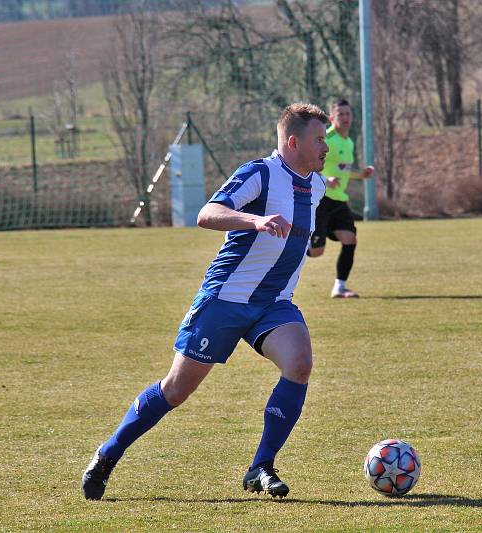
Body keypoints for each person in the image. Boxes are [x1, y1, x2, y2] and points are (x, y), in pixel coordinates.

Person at [81, 103, 330, 500]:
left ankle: (260, 466)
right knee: (175, 390)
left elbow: (299, 232)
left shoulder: (316, 185)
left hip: (273, 303)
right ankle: (108, 454)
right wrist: (255, 220)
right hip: (226, 299)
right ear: (293, 141)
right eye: (320, 139)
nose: (326, 147)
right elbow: (207, 212)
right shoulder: (260, 173)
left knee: (299, 364)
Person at [307, 99, 374, 298]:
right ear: (331, 118)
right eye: (340, 114)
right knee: (317, 252)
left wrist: (360, 175)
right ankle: (291, 245)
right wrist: (325, 180)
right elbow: (307, 167)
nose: (345, 118)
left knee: (350, 239)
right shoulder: (324, 139)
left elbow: (342, 169)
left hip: (338, 200)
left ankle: (339, 287)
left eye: (348, 114)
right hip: (321, 200)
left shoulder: (348, 142)